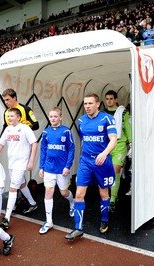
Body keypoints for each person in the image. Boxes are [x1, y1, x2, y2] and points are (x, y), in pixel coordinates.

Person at [65, 92, 117, 240]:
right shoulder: (81, 121)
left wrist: (104, 153)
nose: (87, 106)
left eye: (90, 103)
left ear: (97, 104)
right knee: (79, 194)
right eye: (85, 104)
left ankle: (105, 220)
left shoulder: (107, 118)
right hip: (85, 162)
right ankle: (78, 228)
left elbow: (113, 139)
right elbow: (84, 140)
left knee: (103, 194)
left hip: (102, 162)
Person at [0, 108, 38, 230]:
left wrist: (31, 161)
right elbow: (1, 144)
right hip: (11, 164)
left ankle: (6, 218)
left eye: (12, 116)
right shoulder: (7, 129)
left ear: (18, 117)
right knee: (22, 184)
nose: (9, 118)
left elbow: (34, 143)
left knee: (13, 188)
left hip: (21, 164)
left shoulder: (25, 128)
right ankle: (33, 204)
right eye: (8, 116)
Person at [38, 106, 75, 234]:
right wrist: (41, 167)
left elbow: (71, 149)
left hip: (62, 169)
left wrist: (67, 166)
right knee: (48, 192)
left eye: (55, 116)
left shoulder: (66, 131)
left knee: (64, 192)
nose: (53, 118)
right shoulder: (46, 132)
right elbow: (43, 150)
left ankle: (72, 202)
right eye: (51, 116)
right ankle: (49, 222)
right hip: (49, 168)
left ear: (60, 117)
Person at [103, 90, 132, 212]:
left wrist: (131, 142)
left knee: (115, 172)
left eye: (111, 99)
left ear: (116, 99)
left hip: (119, 144)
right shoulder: (103, 113)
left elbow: (128, 126)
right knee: (106, 173)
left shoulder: (123, 111)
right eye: (107, 99)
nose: (109, 101)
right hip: (106, 144)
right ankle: (110, 195)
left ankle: (113, 199)